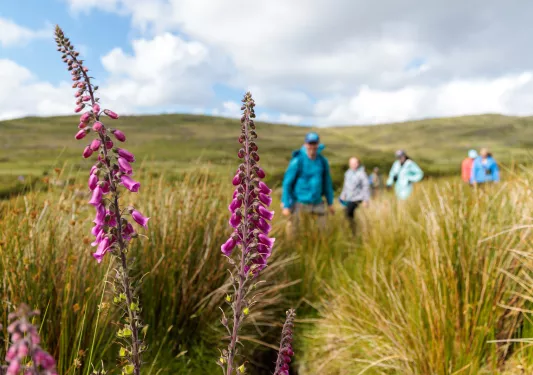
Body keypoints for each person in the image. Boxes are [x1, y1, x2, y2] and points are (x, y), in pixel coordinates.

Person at [281, 132, 335, 231]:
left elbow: (327, 183)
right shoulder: (297, 161)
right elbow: (287, 183)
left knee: (322, 231)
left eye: (314, 143)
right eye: (310, 143)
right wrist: (286, 204)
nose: (312, 146)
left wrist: (330, 202)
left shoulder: (323, 161)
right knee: (294, 230)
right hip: (300, 202)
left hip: (317, 202)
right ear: (305, 144)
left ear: (318, 144)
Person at [339, 157, 370, 235]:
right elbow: (345, 186)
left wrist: (366, 200)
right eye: (351, 163)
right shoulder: (347, 173)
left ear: (358, 164)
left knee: (348, 212)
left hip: (358, 198)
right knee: (347, 215)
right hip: (349, 198)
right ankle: (352, 231)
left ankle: (354, 232)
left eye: (355, 163)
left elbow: (366, 186)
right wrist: (343, 195)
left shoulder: (362, 173)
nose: (353, 165)